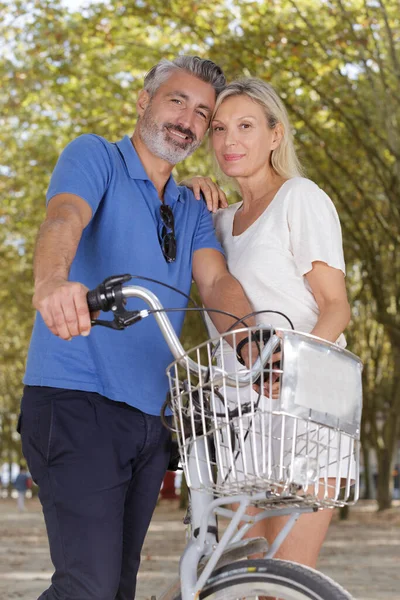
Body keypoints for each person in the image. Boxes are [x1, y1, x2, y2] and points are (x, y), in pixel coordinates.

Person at [19, 57, 259, 600]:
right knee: (90, 586)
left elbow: (216, 281)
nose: (188, 120)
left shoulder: (191, 204)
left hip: (152, 417)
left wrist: (252, 340)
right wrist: (52, 283)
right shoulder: (95, 156)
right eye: (177, 100)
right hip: (77, 399)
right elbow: (64, 217)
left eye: (203, 113)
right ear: (143, 100)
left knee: (117, 587)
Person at [186, 77, 351, 571]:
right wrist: (186, 191)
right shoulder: (217, 220)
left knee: (286, 579)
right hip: (238, 419)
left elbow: (336, 307)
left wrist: (288, 370)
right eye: (218, 129)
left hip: (306, 413)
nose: (229, 141)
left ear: (275, 135)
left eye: (246, 126)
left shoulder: (300, 198)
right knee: (242, 578)